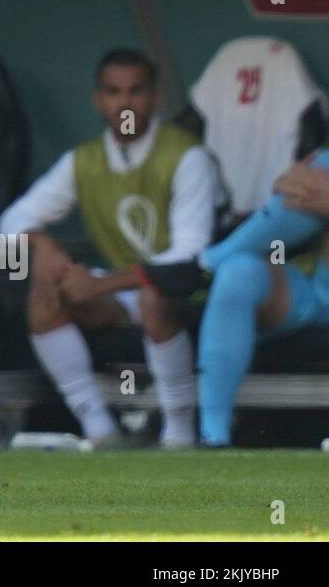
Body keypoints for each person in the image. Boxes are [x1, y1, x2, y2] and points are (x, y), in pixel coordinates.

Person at [0, 49, 222, 448]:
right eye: (113, 92)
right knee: (46, 290)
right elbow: (10, 222)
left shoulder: (187, 155)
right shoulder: (84, 160)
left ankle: (179, 433)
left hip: (193, 290)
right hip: (126, 290)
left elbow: (189, 256)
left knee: (154, 295)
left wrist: (100, 287)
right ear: (97, 100)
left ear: (155, 97)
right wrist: (43, 244)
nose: (124, 103)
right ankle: (99, 430)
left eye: (135, 91)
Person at [134, 151, 329, 447]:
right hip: (319, 292)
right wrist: (293, 183)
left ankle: (205, 264)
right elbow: (302, 185)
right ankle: (214, 437)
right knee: (239, 272)